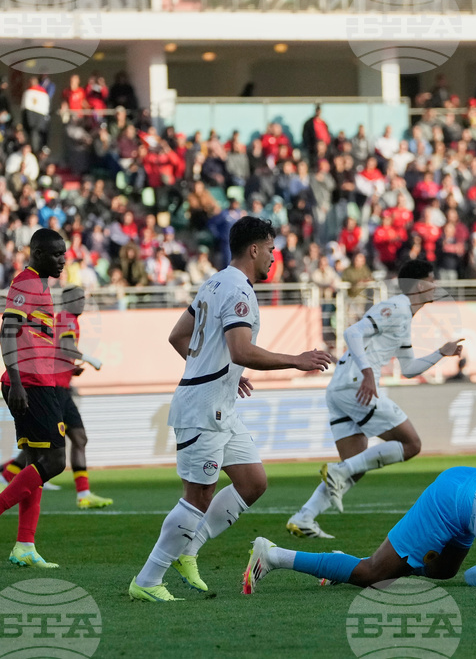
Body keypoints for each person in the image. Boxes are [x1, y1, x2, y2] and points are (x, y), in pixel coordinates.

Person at [128, 217, 333, 602]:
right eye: (271, 249)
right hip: (203, 408)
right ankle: (148, 578)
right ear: (254, 249)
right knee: (197, 496)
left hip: (220, 402)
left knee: (253, 481)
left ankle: (189, 549)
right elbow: (241, 350)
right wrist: (296, 360)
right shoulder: (239, 290)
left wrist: (221, 370)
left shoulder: (214, 282)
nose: (275, 257)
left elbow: (179, 336)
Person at [285, 259, 464, 539]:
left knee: (355, 466)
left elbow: (408, 369)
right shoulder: (396, 307)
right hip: (357, 385)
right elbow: (352, 332)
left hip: (340, 389)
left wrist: (441, 352)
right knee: (411, 443)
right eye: (432, 279)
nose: (436, 286)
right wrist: (368, 373)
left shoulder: (405, 317)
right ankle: (337, 471)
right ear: (419, 285)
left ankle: (304, 516)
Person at [245, 466, 476, 592]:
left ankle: (345, 562)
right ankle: (274, 555)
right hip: (452, 503)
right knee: (373, 575)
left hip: (473, 482)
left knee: (444, 569)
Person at [0, 229, 68, 568]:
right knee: (55, 461)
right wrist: (19, 382)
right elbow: (6, 333)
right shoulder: (26, 283)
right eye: (55, 254)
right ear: (37, 253)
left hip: (40, 381)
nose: (62, 260)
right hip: (30, 383)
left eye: (63, 254)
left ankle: (24, 544)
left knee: (35, 462)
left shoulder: (40, 286)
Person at [0, 286, 113, 509]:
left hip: (58, 385)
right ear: (67, 301)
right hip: (55, 389)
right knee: (51, 447)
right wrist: (91, 359)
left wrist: (70, 368)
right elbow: (66, 347)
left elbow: (57, 352)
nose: (82, 302)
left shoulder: (63, 319)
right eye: (78, 298)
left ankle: (81, 493)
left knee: (68, 440)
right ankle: (5, 477)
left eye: (84, 298)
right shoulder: (66, 319)